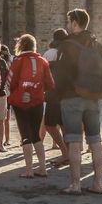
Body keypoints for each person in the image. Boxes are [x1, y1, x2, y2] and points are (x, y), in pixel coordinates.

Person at [56, 8, 102, 196]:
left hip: (72, 97)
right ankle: (98, 183)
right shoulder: (97, 45)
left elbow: (60, 74)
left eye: (69, 21)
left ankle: (75, 184)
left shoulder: (66, 45)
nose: (67, 24)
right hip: (93, 98)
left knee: (74, 141)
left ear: (75, 23)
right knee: (95, 140)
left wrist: (60, 93)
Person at [7, 34, 55, 178]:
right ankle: (42, 168)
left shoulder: (18, 61)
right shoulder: (43, 61)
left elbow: (11, 81)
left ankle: (28, 170)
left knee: (25, 135)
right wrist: (38, 90)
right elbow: (51, 84)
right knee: (36, 135)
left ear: (20, 46)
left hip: (20, 101)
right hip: (38, 100)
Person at [43, 28, 69, 166]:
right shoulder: (68, 52)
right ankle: (68, 153)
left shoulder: (49, 53)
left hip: (53, 93)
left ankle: (65, 153)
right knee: (64, 124)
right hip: (67, 92)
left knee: (49, 124)